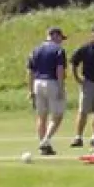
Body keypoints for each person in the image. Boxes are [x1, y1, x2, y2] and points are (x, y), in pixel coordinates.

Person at [27, 27, 68, 155]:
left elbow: (30, 71)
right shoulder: (59, 50)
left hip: (37, 83)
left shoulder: (35, 50)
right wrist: (61, 88)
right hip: (52, 82)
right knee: (57, 116)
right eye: (60, 38)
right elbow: (59, 69)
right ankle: (45, 141)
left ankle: (43, 145)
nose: (61, 41)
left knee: (42, 116)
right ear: (55, 35)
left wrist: (30, 90)